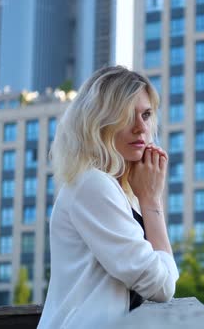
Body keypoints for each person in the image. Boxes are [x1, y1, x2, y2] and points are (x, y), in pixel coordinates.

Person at [37, 66, 179, 328]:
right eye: (126, 116)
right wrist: (152, 202)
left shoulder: (114, 189)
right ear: (97, 123)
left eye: (146, 114)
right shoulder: (93, 184)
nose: (141, 128)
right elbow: (161, 285)